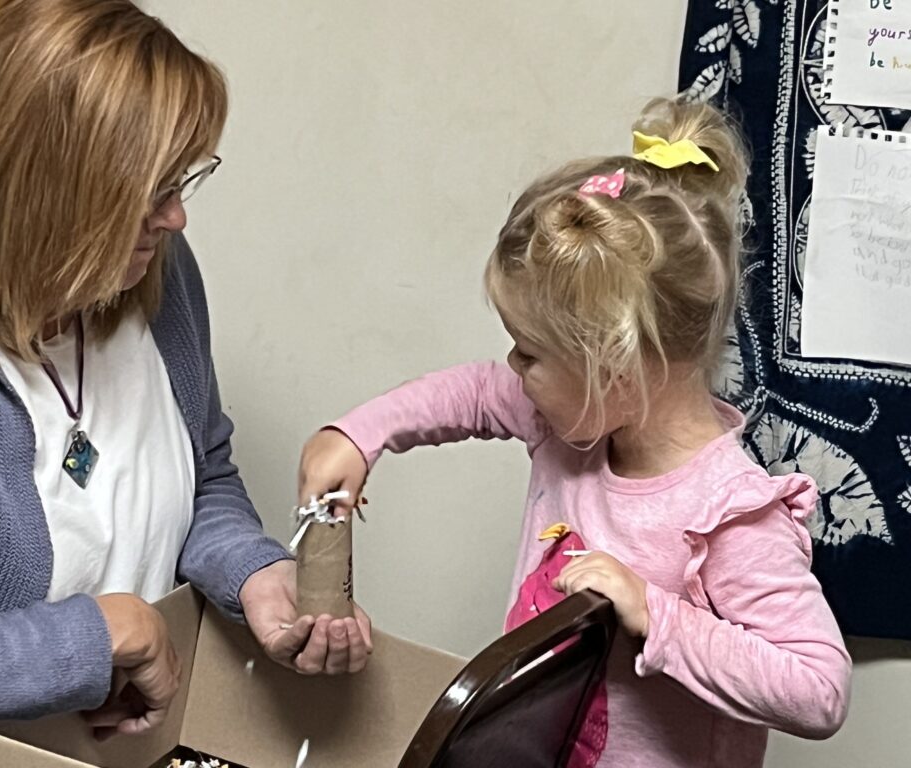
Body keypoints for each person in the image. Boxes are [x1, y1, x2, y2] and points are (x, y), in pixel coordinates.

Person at [298, 97, 851, 767]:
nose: (512, 369)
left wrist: (656, 613)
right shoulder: (572, 421)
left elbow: (819, 690)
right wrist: (359, 435)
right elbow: (473, 392)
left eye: (529, 353)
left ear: (615, 368)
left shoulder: (729, 515)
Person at [0, 2, 368, 765]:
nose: (176, 216)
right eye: (148, 191)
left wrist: (257, 573)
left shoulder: (160, 281)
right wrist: (104, 631)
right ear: (47, 188)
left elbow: (203, 473)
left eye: (182, 182)